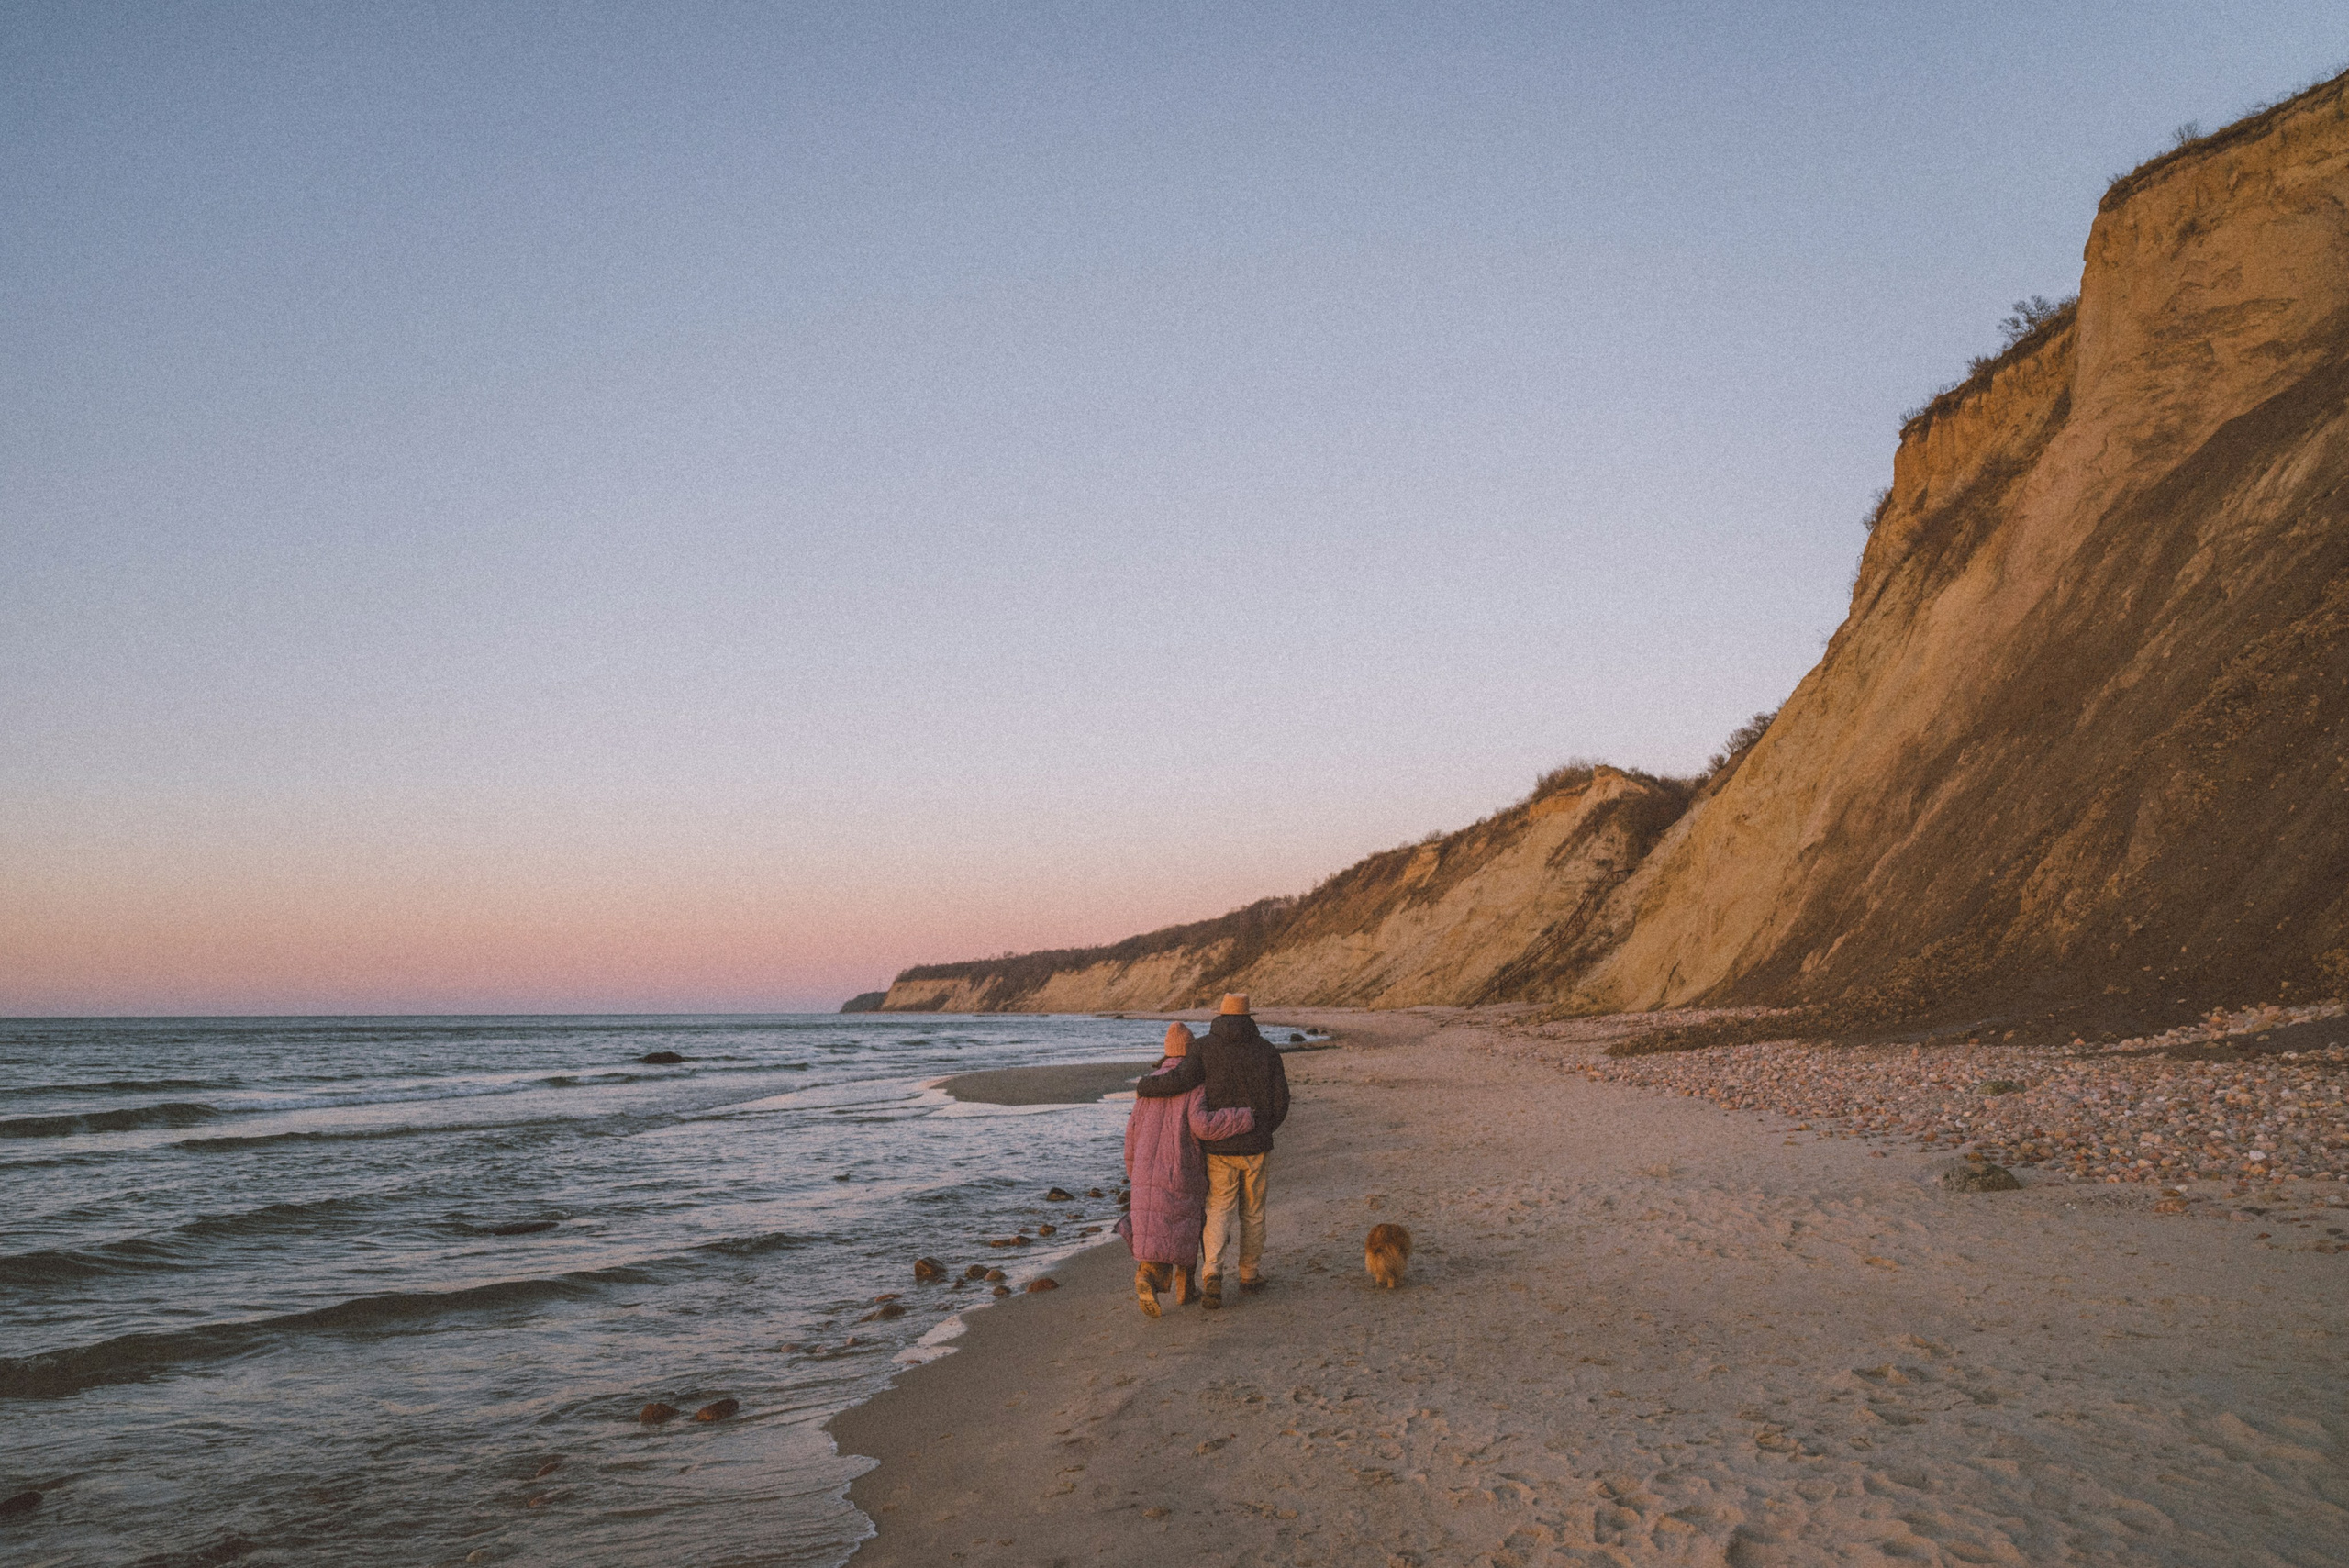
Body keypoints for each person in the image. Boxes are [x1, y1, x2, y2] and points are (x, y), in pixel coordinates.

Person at [1132, 994, 1289, 1308]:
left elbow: (1178, 1079)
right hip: (1256, 1145)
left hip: (1219, 1149)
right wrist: (1262, 1128)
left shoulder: (1204, 1048)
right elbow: (1281, 1102)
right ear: (1248, 1016)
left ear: (1221, 1015)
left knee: (1218, 1209)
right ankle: (1249, 1275)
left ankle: (1212, 1274)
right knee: (1254, 1214)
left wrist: (1145, 1086)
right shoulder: (1268, 1051)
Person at [1120, 1021, 1255, 1317]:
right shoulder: (1195, 1084)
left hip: (1145, 1169)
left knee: (1155, 1231)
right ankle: (1185, 1289)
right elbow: (1203, 1126)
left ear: (1167, 1052)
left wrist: (1133, 1171)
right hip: (1181, 1166)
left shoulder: (1148, 1086)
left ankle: (1146, 1276)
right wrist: (1245, 1116)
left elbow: (1131, 1133)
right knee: (1187, 1227)